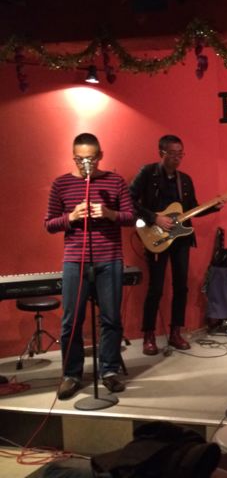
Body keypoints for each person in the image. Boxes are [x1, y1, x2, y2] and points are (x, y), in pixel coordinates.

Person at [45, 133, 135, 400]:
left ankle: (109, 370)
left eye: (92, 159)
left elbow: (131, 217)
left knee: (111, 318)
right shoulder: (61, 184)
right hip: (75, 259)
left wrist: (109, 213)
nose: (86, 164)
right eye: (80, 159)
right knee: (71, 320)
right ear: (73, 157)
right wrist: (71, 217)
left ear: (101, 156)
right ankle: (71, 374)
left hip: (110, 258)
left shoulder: (115, 181)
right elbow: (49, 224)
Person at [130, 135, 223, 355]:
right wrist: (155, 218)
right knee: (156, 288)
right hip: (155, 236)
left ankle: (175, 333)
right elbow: (128, 200)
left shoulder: (185, 180)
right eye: (172, 153)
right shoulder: (147, 173)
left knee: (181, 287)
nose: (177, 158)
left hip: (180, 239)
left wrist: (213, 206)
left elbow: (191, 209)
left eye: (180, 154)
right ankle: (149, 335)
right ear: (161, 153)